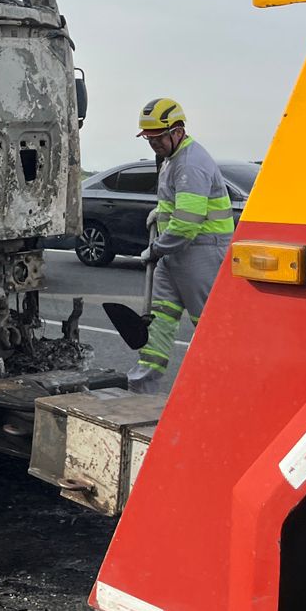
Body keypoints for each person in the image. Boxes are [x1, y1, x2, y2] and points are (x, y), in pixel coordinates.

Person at [129, 98, 234, 393]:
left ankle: (214, 389)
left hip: (201, 252)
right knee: (158, 320)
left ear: (177, 131)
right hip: (176, 254)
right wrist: (160, 215)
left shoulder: (190, 163)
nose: (153, 145)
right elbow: (178, 207)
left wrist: (157, 249)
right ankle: (141, 386)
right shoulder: (173, 159)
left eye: (158, 138)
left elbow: (187, 223)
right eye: (148, 139)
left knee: (208, 327)